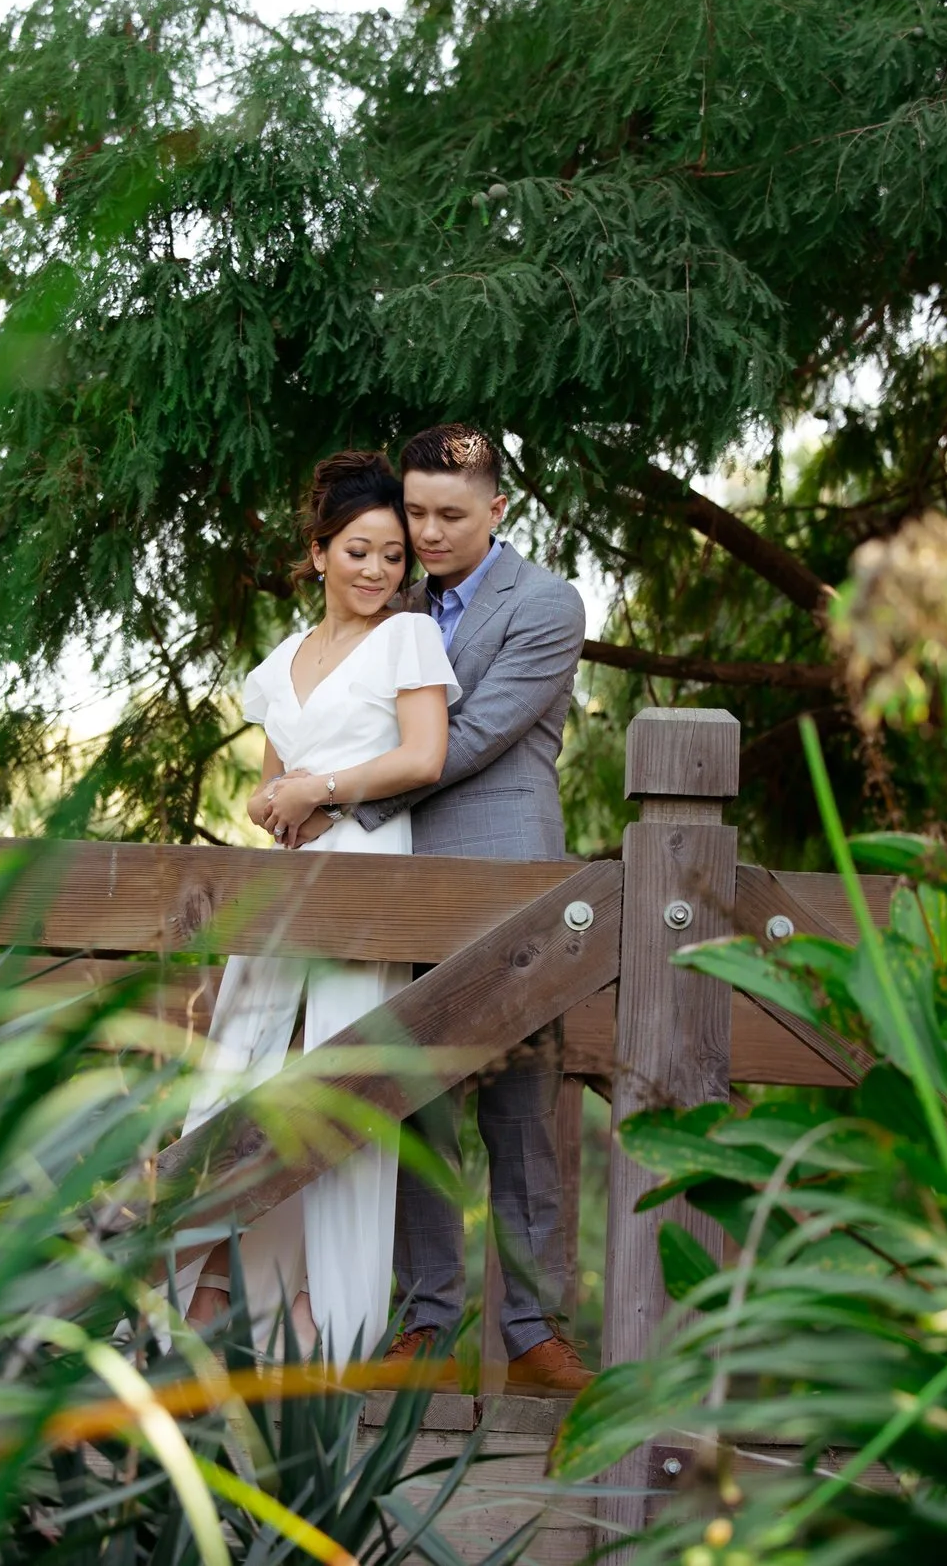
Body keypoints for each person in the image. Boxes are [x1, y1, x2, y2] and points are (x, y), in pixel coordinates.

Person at [293, 423, 592, 1395]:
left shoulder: (547, 604)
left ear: (498, 508)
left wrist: (338, 794)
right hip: (397, 884)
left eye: (448, 515)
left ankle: (534, 1329)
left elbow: (468, 736)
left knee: (520, 1113)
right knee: (409, 1103)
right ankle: (425, 1319)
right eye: (414, 510)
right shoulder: (391, 602)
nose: (424, 531)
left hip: (508, 887)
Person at [175, 450, 461, 1363]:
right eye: (359, 552)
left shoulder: (408, 640)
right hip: (287, 882)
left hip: (368, 871)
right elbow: (267, 787)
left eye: (392, 556)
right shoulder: (283, 660)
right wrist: (277, 803)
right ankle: (211, 1285)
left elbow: (423, 757)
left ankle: (320, 1321)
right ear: (318, 550)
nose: (379, 571)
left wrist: (321, 791)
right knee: (242, 1073)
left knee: (335, 1082)